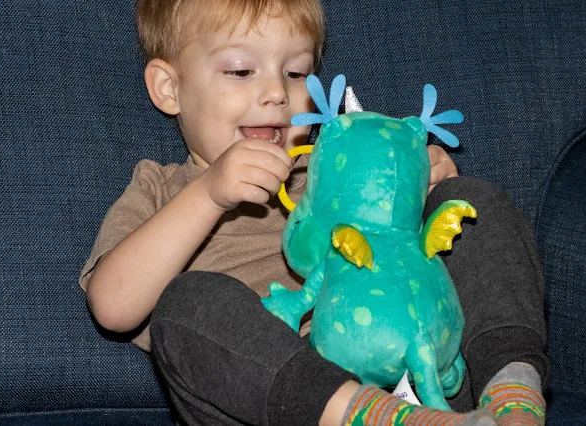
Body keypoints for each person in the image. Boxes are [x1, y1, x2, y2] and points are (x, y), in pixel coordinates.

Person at [79, 0, 548, 424]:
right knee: (185, 304)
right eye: (241, 71)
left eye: (297, 73)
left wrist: (419, 192)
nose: (277, 94)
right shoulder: (163, 188)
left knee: (474, 201)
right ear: (169, 88)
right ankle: (368, 414)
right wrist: (207, 195)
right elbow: (113, 306)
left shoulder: (333, 166)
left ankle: (512, 396)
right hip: (274, 404)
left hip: (425, 378)